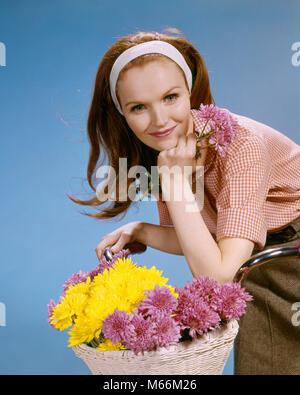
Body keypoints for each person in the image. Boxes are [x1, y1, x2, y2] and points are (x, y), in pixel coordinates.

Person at [68, 29, 300, 374]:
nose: (160, 121)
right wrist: (144, 231)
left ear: (190, 90)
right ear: (121, 113)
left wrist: (176, 187)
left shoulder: (243, 146)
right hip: (256, 263)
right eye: (138, 107)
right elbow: (208, 245)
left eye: (171, 97)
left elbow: (219, 277)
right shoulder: (168, 154)